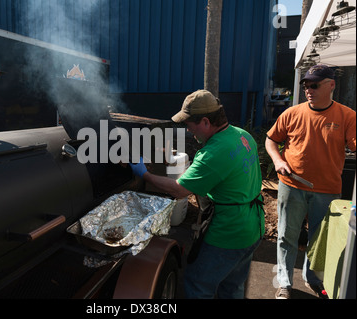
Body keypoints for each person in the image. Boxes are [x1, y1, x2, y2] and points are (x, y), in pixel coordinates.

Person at [129, 90, 265, 299]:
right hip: (254, 226)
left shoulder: (214, 153)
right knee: (233, 286)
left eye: (188, 124)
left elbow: (179, 190)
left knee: (198, 284)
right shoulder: (241, 134)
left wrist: (144, 174)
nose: (188, 130)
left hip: (229, 233)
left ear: (205, 121)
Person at [265, 64, 356, 299]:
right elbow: (270, 141)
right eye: (306, 85)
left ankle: (313, 278)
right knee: (286, 236)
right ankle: (284, 282)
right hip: (292, 186)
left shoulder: (347, 116)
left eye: (314, 85)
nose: (308, 89)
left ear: (331, 85)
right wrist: (277, 161)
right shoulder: (292, 113)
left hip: (327, 190)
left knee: (319, 239)